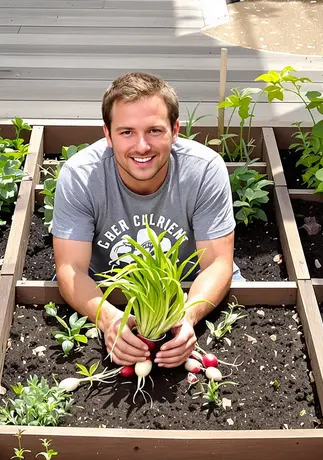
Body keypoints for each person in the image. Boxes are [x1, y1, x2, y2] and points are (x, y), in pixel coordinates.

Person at [51, 72, 238, 370]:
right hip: (109, 293)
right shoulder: (81, 176)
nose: (141, 146)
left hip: (188, 292)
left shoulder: (203, 170)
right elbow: (71, 269)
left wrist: (186, 316)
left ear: (175, 130)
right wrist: (110, 319)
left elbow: (217, 263)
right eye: (126, 132)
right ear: (107, 135)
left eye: (154, 131)